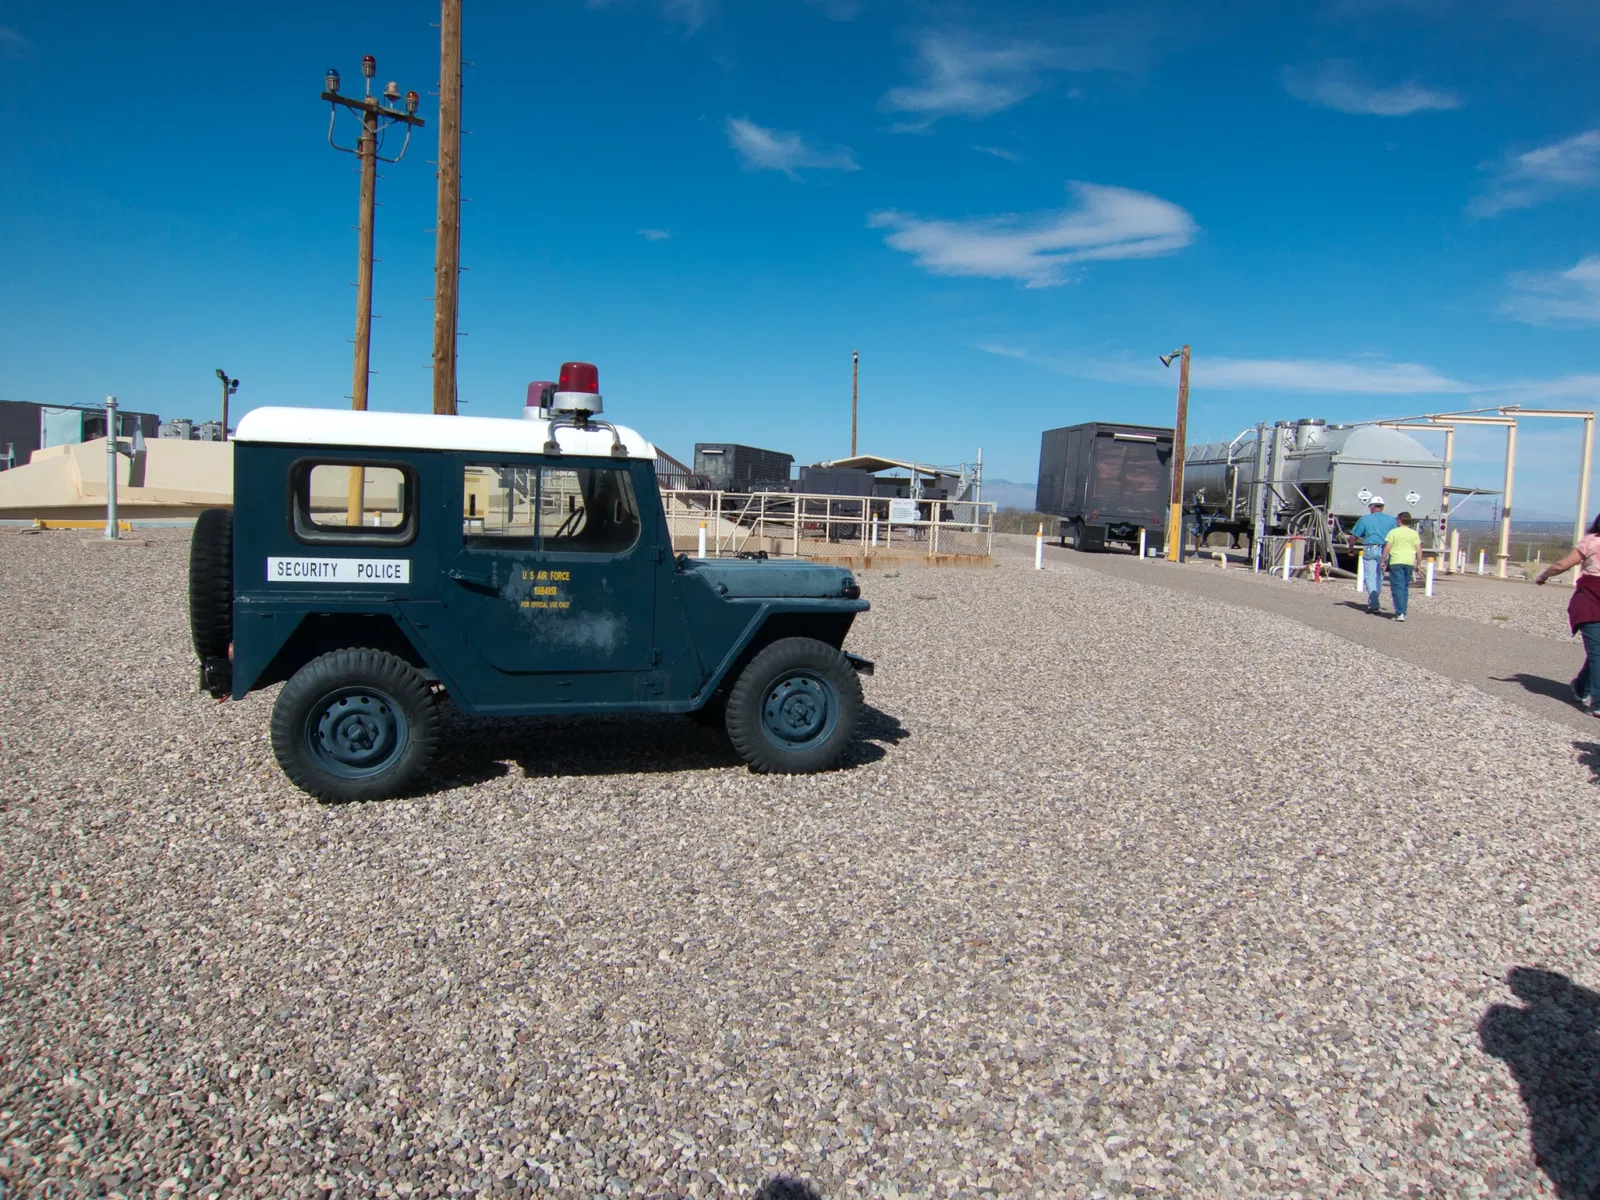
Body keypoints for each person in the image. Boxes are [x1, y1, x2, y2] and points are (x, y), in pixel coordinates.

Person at [1535, 512, 1600, 713]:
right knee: (1598, 652)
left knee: (1597, 653)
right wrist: (1544, 575)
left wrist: (1544, 575)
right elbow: (1562, 565)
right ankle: (1597, 703)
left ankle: (1581, 688)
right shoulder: (1591, 542)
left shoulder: (1590, 542)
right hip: (1590, 603)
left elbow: (1562, 565)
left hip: (1590, 599)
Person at [1347, 497, 1397, 614]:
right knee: (1379, 576)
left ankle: (1373, 603)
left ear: (1371, 506)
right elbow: (1396, 536)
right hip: (1385, 549)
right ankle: (1374, 601)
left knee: (1369, 577)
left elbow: (1354, 537)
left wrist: (1351, 548)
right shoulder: (1391, 520)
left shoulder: (1365, 519)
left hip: (1370, 548)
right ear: (1382, 507)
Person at [1381, 511, 1422, 622]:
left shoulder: (1393, 532)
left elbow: (1387, 548)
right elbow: (1418, 550)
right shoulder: (1414, 534)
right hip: (1409, 561)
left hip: (1396, 561)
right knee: (1404, 587)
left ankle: (1400, 612)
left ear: (1399, 520)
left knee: (1397, 587)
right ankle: (1403, 611)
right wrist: (1418, 563)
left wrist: (1383, 560)